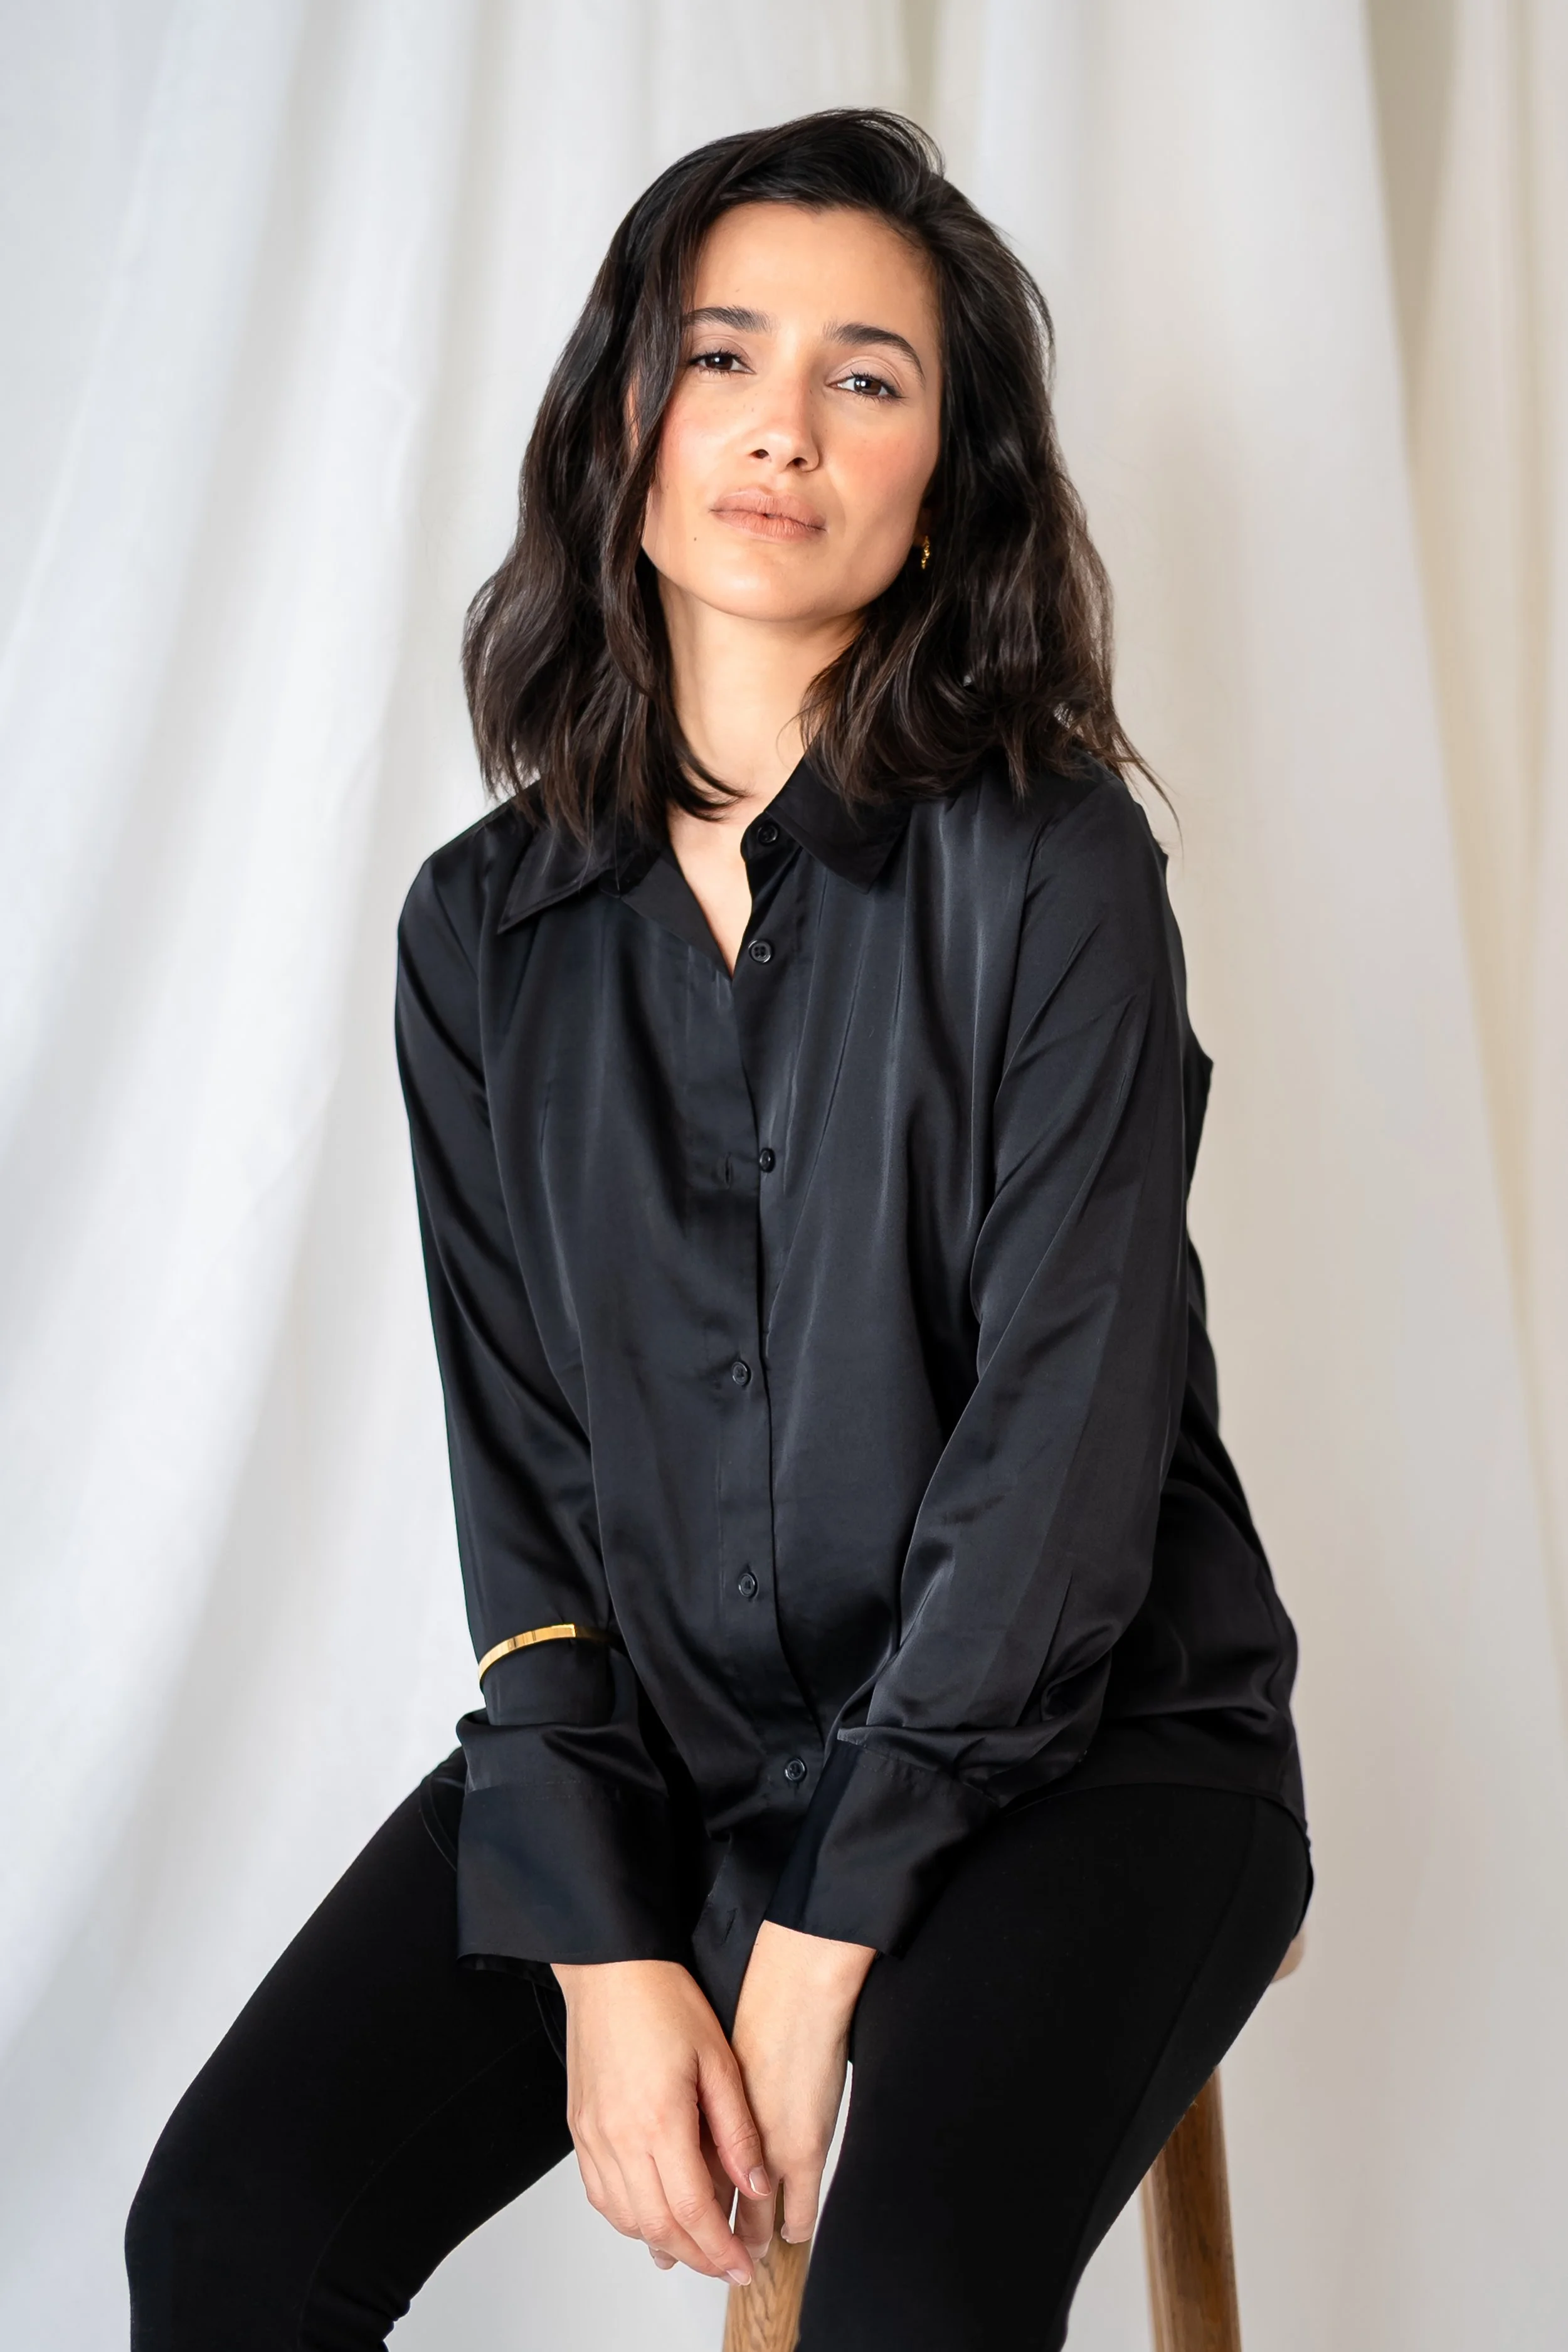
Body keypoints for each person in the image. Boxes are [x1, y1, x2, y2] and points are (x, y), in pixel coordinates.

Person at [126, 109, 1310, 2352]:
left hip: (1088, 1750)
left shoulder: (1055, 869)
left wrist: (818, 1934)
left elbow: (1059, 1464)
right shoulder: (479, 934)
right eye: (721, 355)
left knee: (907, 2306)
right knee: (228, 2231)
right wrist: (598, 1942)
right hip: (667, 1757)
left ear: (942, 479)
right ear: (625, 423)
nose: (783, 425)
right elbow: (527, 1485)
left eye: (867, 376)